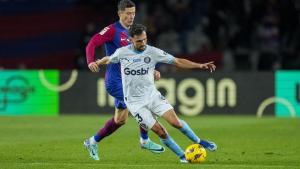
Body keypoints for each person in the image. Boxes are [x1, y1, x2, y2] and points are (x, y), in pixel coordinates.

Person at [96, 23, 217, 163]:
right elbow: (108, 59)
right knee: (160, 131)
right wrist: (97, 63)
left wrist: (199, 65)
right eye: (139, 40)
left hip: (152, 96)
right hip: (135, 103)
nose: (143, 43)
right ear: (131, 40)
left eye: (145, 39)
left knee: (176, 122)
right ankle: (182, 156)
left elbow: (177, 61)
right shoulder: (122, 52)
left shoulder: (153, 52)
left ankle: (200, 141)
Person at [84, 0, 164, 161]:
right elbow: (92, 43)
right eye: (128, 13)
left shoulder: (134, 32)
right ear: (119, 13)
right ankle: (145, 140)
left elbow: (140, 56)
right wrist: (91, 61)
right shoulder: (112, 30)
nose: (131, 16)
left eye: (133, 13)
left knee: (120, 120)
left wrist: (151, 69)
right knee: (144, 105)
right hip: (115, 82)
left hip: (130, 82)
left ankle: (91, 141)